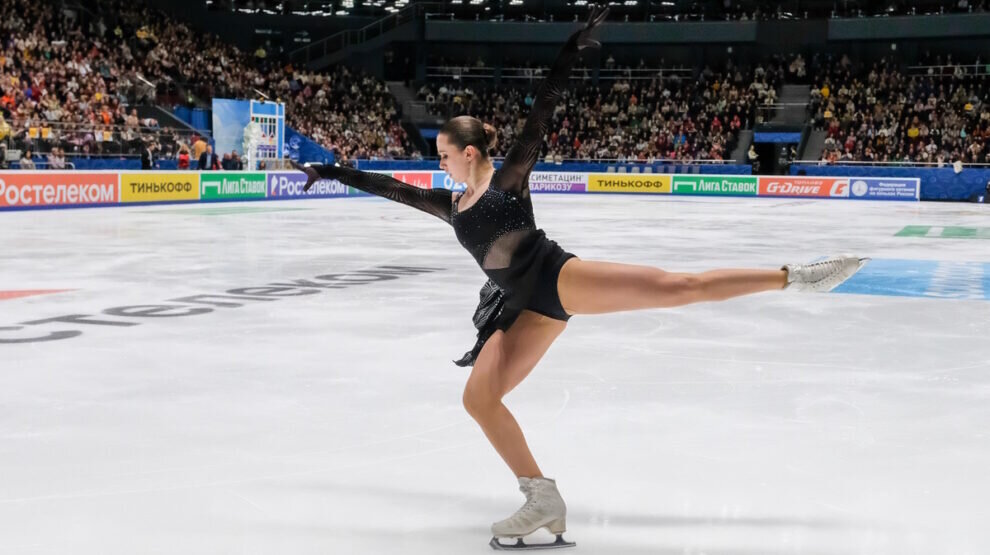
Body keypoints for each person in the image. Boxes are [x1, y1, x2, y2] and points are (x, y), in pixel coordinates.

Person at [294, 8, 867, 550]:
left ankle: (797, 276)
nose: (437, 164)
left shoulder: (508, 179)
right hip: (517, 309)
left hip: (557, 279)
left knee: (678, 287)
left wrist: (570, 52)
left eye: (443, 155)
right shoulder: (452, 204)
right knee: (479, 398)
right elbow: (389, 189)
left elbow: (542, 113)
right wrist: (330, 169)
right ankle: (542, 498)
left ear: (468, 153)